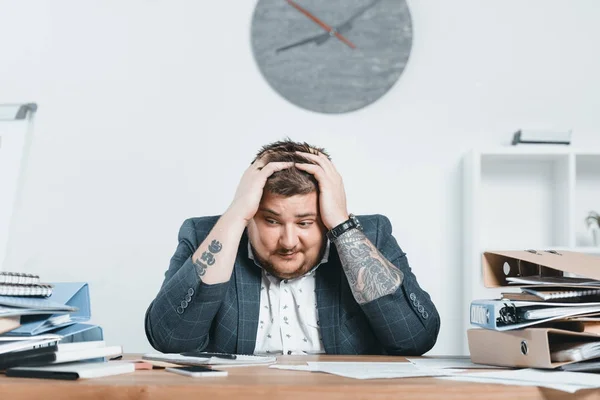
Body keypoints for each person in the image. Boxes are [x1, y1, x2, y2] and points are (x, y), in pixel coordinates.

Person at [145, 139, 440, 356]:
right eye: (271, 221)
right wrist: (235, 215)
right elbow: (170, 340)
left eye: (305, 223)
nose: (288, 242)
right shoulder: (208, 237)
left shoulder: (369, 236)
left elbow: (415, 339)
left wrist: (341, 222)